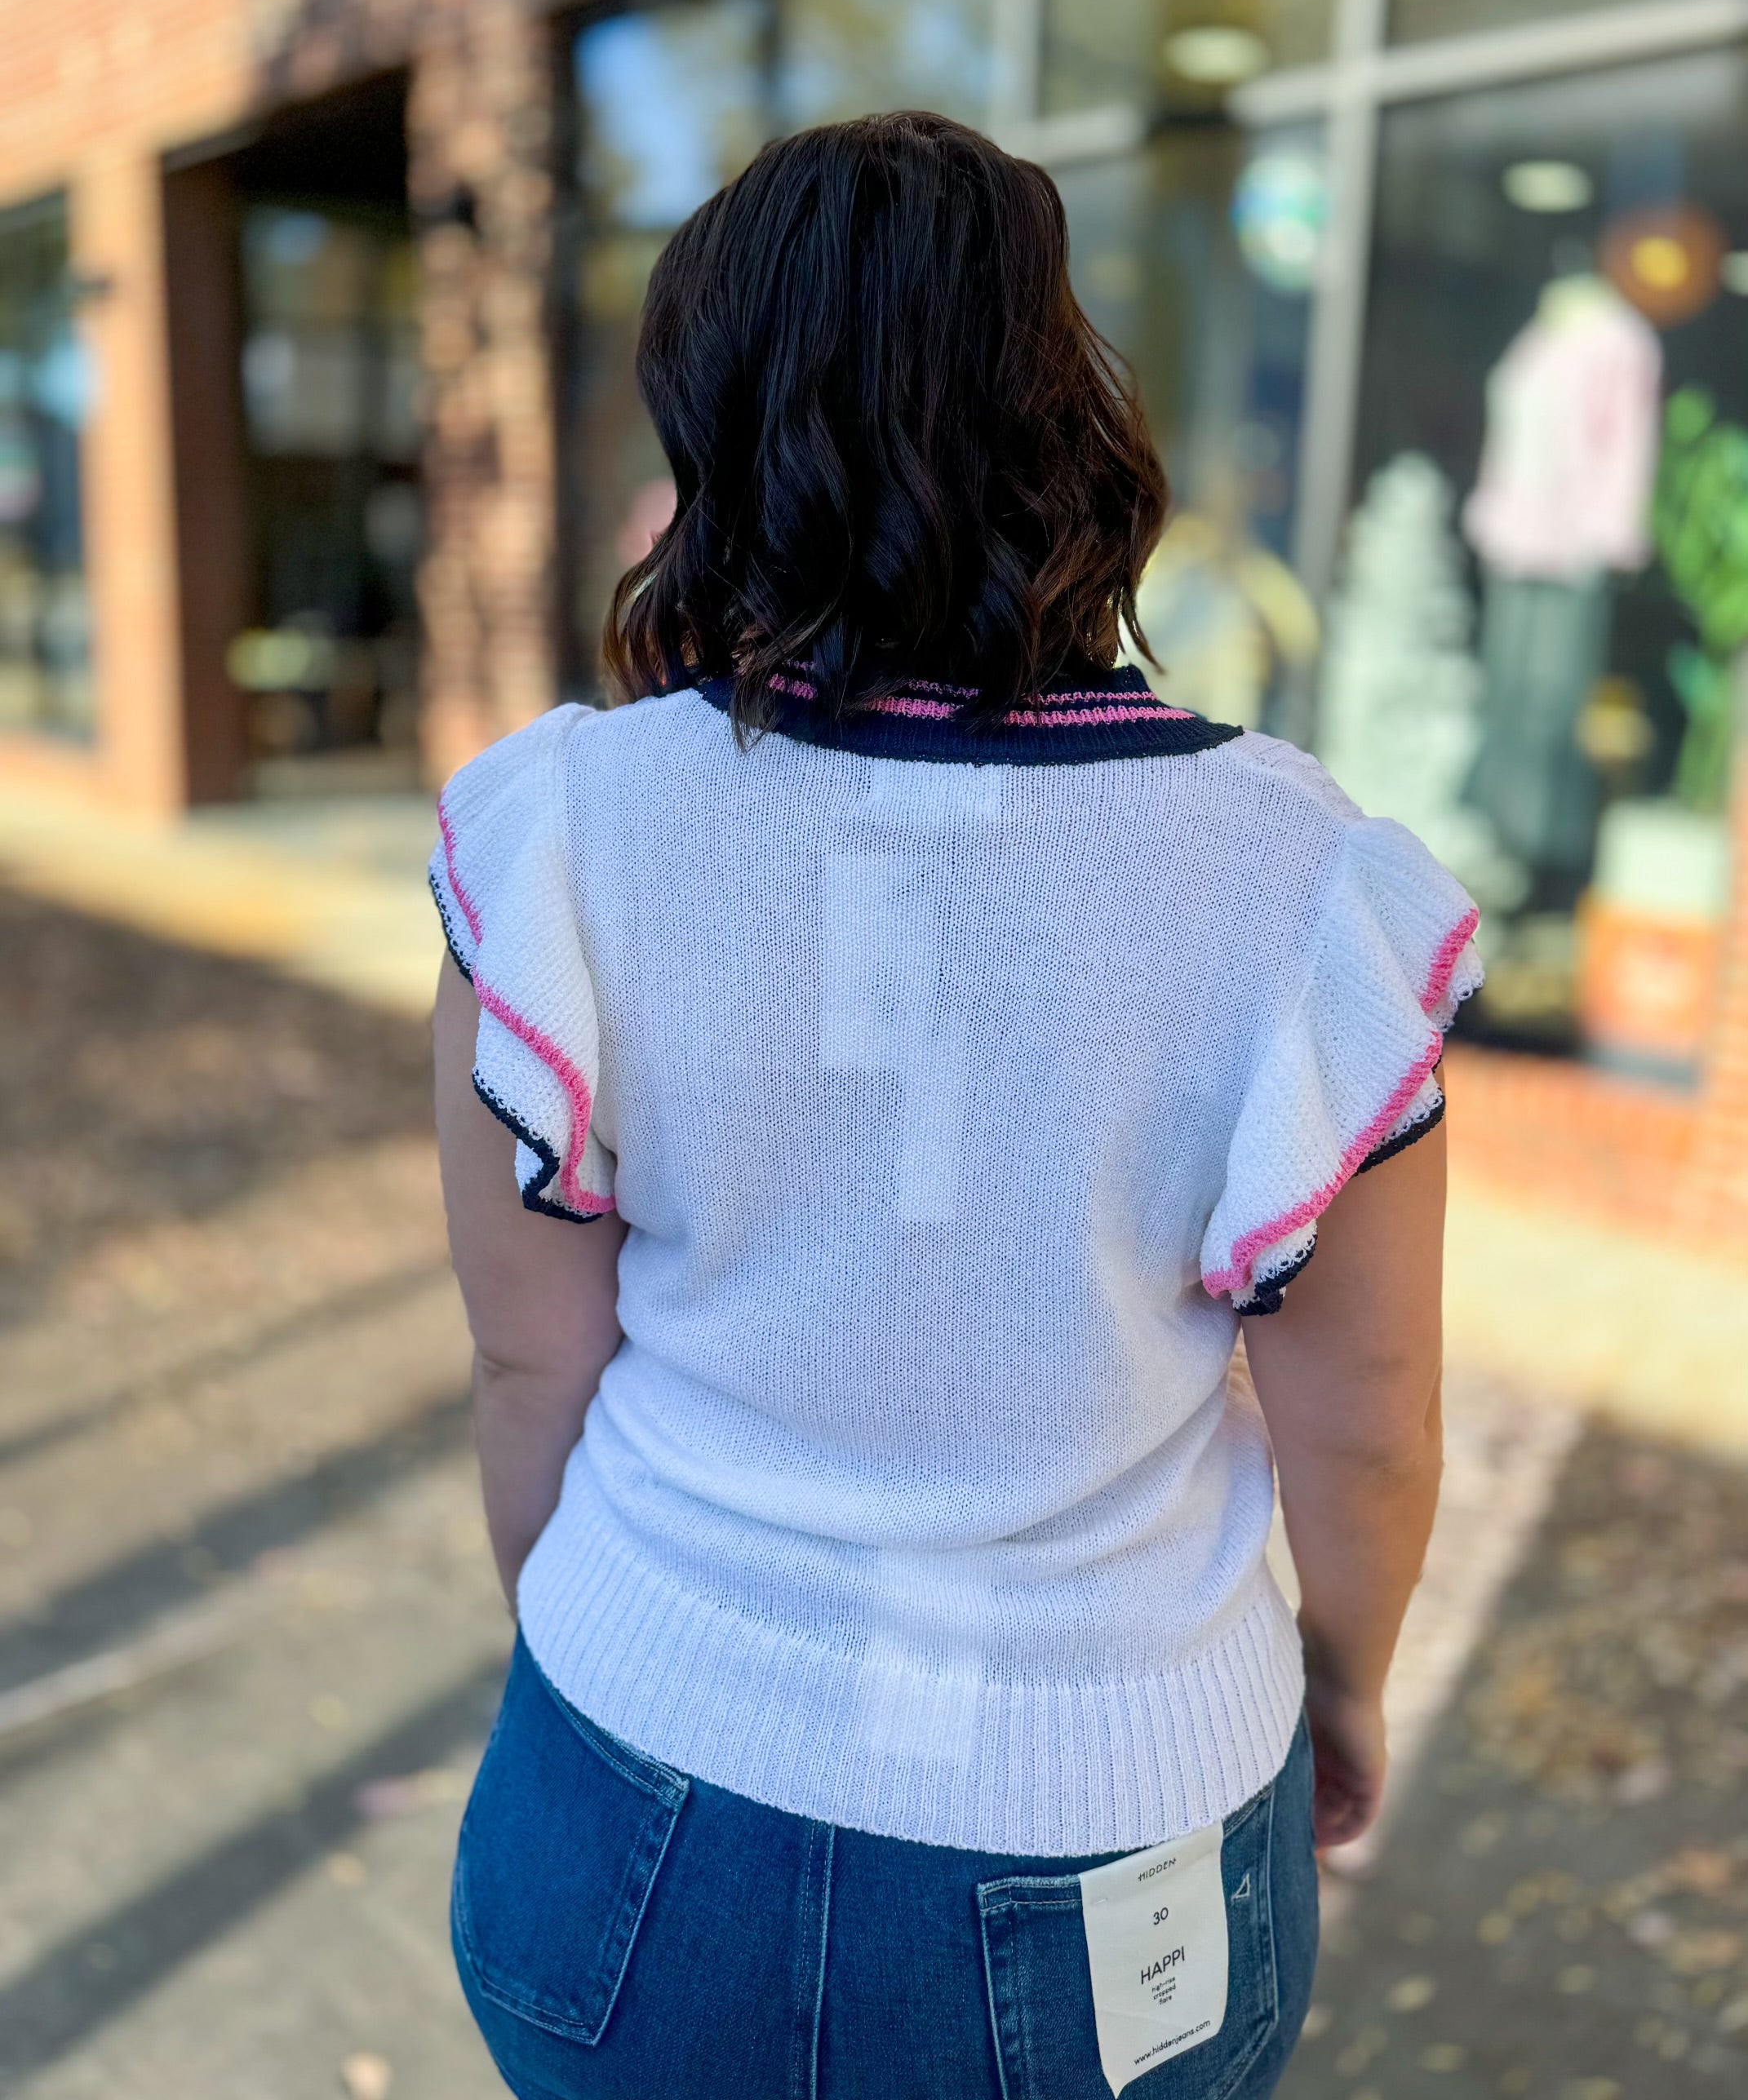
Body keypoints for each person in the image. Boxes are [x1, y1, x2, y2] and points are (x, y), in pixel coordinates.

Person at [430, 112, 1474, 2100]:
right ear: (1069, 410)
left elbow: (521, 1361)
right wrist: (1340, 1686)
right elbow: (1372, 1425)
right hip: (1120, 1816)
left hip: (634, 1796)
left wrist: (596, 1659)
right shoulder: (1301, 880)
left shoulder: (560, 834)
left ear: (708, 429)